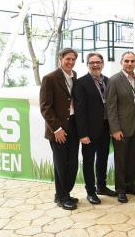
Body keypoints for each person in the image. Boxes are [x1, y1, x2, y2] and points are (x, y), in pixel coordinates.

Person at [74, 52, 117, 205]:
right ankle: (90, 192)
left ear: (102, 63)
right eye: (92, 62)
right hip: (89, 131)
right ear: (87, 65)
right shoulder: (80, 83)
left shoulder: (107, 80)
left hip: (106, 128)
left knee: (103, 158)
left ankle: (102, 187)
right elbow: (79, 111)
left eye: (98, 62)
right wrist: (83, 133)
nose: (95, 65)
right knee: (88, 161)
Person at [39, 48, 80, 210]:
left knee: (72, 164)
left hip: (74, 127)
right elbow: (45, 107)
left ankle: (65, 193)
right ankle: (61, 197)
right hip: (58, 130)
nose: (70, 62)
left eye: (73, 59)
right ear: (60, 59)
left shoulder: (74, 76)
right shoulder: (49, 78)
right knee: (61, 164)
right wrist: (57, 129)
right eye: (67, 59)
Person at [106, 51, 135, 203]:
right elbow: (110, 107)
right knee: (121, 160)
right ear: (121, 62)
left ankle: (130, 185)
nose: (129, 63)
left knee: (133, 159)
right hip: (121, 129)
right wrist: (115, 129)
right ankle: (120, 189)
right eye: (126, 61)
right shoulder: (114, 80)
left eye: (132, 61)